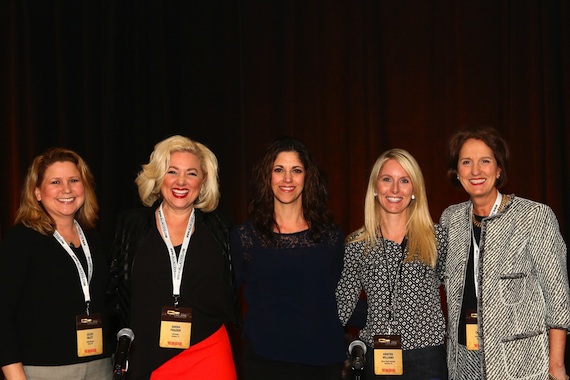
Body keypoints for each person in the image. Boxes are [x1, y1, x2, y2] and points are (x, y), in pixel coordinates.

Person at [440, 126, 570, 380]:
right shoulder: (450, 219)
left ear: (499, 169)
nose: (475, 171)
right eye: (466, 162)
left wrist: (557, 366)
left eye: (485, 161)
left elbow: (558, 298)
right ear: (457, 172)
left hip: (521, 363)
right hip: (463, 361)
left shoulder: (534, 217)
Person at [108, 135, 237, 379]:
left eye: (191, 173)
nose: (181, 181)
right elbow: (112, 289)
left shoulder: (222, 227)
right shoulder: (131, 225)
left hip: (208, 352)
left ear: (203, 181)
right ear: (158, 178)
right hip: (146, 356)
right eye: (172, 171)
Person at [230, 137, 346, 380]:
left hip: (322, 362)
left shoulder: (330, 237)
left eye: (296, 170)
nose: (287, 179)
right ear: (267, 176)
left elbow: (336, 295)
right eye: (279, 170)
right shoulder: (245, 237)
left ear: (308, 177)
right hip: (264, 362)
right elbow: (227, 297)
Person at [0, 148, 112, 380]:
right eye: (55, 182)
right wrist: (15, 376)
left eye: (74, 180)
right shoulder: (21, 239)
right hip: (43, 370)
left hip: (100, 366)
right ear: (37, 192)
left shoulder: (95, 239)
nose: (67, 190)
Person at [336, 148, 448, 379]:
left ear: (414, 189)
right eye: (387, 179)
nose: (395, 189)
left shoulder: (437, 238)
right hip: (376, 359)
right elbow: (342, 306)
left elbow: (458, 297)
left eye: (404, 180)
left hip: (427, 357)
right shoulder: (357, 245)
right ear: (375, 188)